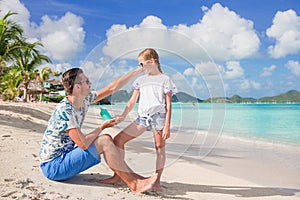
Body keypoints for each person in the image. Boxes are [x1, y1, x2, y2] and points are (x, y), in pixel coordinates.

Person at [39, 67, 158, 194]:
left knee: (105, 138)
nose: (90, 84)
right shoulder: (66, 110)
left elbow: (111, 88)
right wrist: (102, 126)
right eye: (87, 81)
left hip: (65, 157)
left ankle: (127, 178)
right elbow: (83, 143)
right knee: (104, 141)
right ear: (77, 87)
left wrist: (136, 72)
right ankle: (134, 184)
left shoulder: (83, 100)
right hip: (54, 166)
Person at [100, 48, 177, 192]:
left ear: (153, 61)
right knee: (118, 140)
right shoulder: (140, 80)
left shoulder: (165, 79)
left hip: (159, 117)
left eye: (142, 64)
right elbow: (131, 102)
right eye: (139, 64)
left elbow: (169, 104)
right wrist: (123, 116)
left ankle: (157, 182)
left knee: (159, 148)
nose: (140, 68)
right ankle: (118, 176)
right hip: (142, 118)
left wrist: (167, 125)